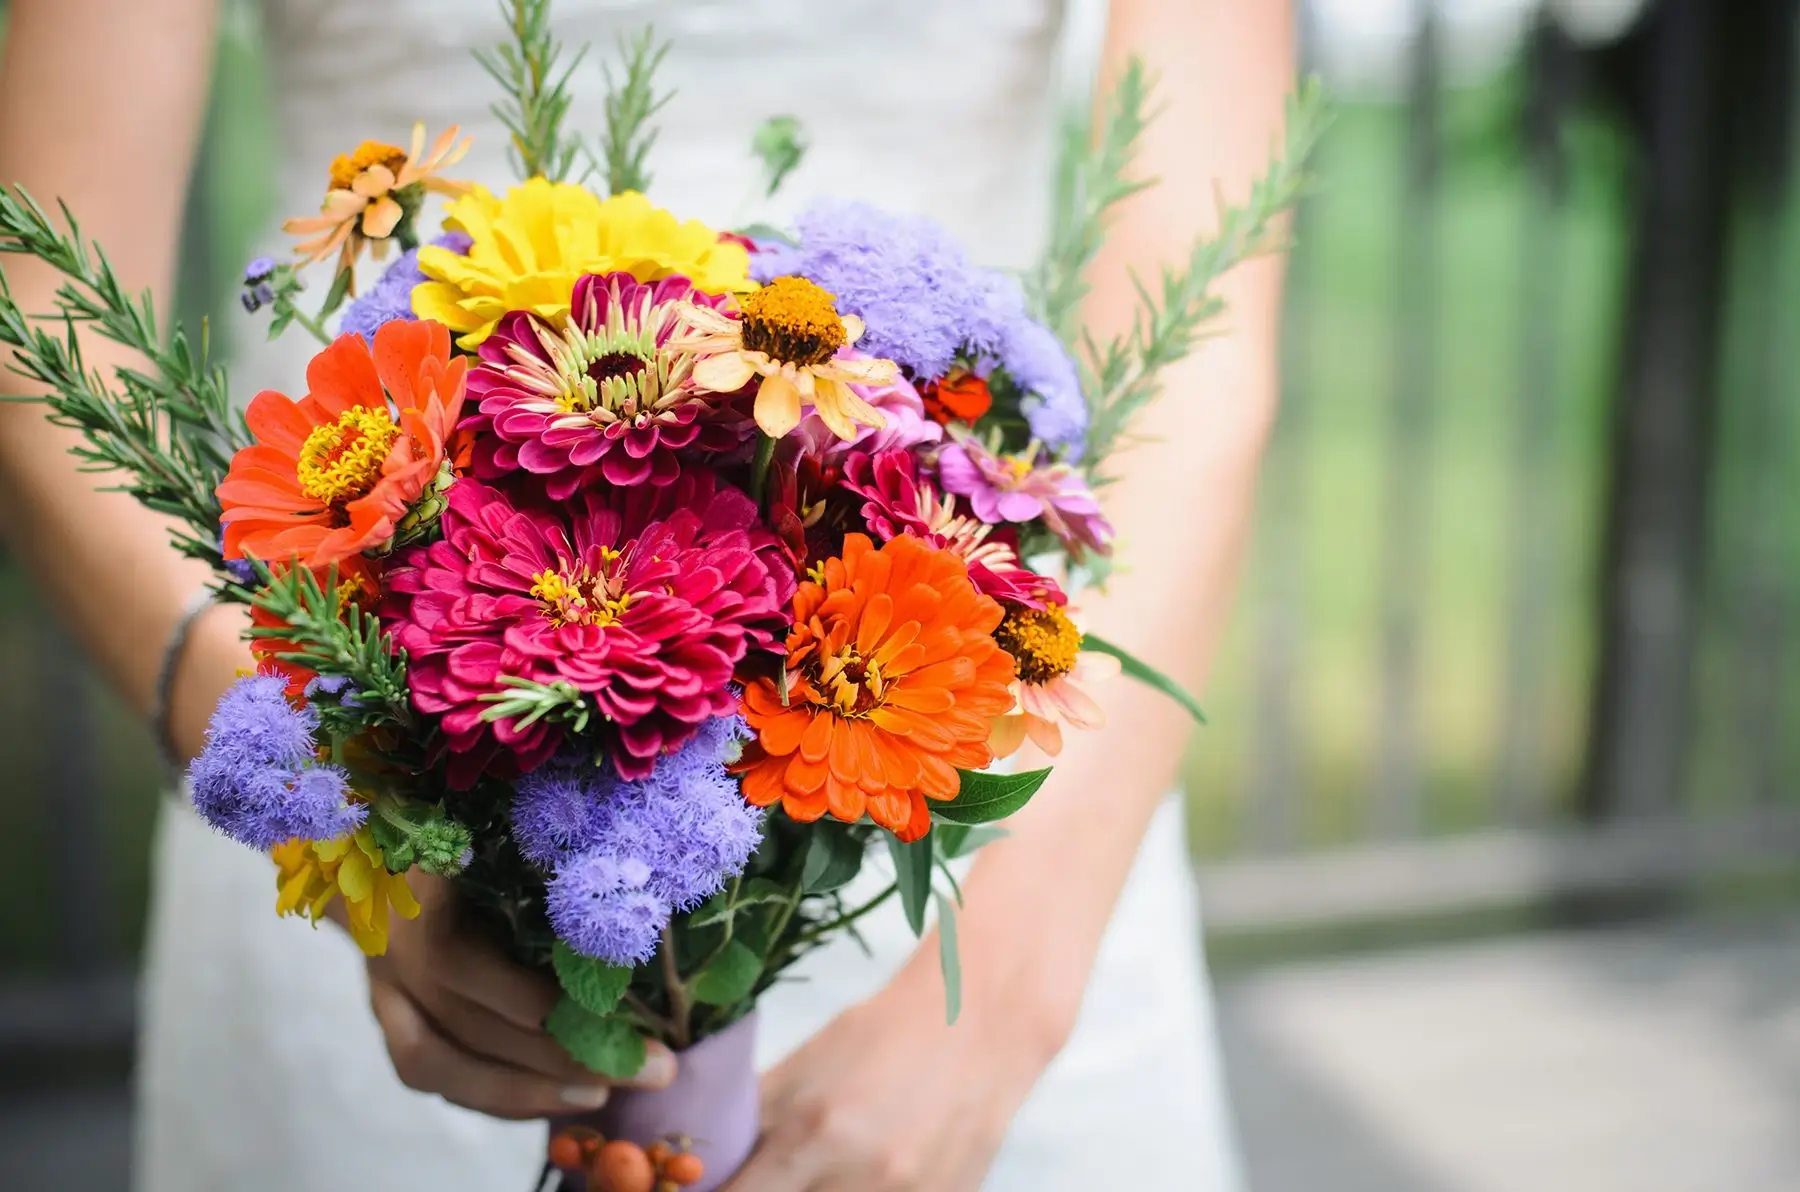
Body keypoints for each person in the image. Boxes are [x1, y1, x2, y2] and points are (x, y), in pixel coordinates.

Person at [0, 0, 1292, 1187]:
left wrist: (1000, 998)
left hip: (985, 808)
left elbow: (1201, 332)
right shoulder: (352, 791)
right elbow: (38, 308)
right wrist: (333, 803)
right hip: (375, 778)